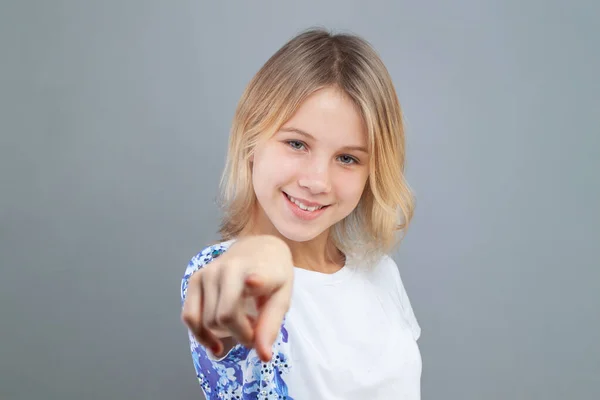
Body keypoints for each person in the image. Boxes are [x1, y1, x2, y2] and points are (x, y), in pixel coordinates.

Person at [180, 27, 422, 399]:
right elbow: (229, 304)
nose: (317, 181)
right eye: (297, 143)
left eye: (347, 158)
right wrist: (262, 253)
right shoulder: (222, 271)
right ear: (251, 140)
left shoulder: (381, 274)